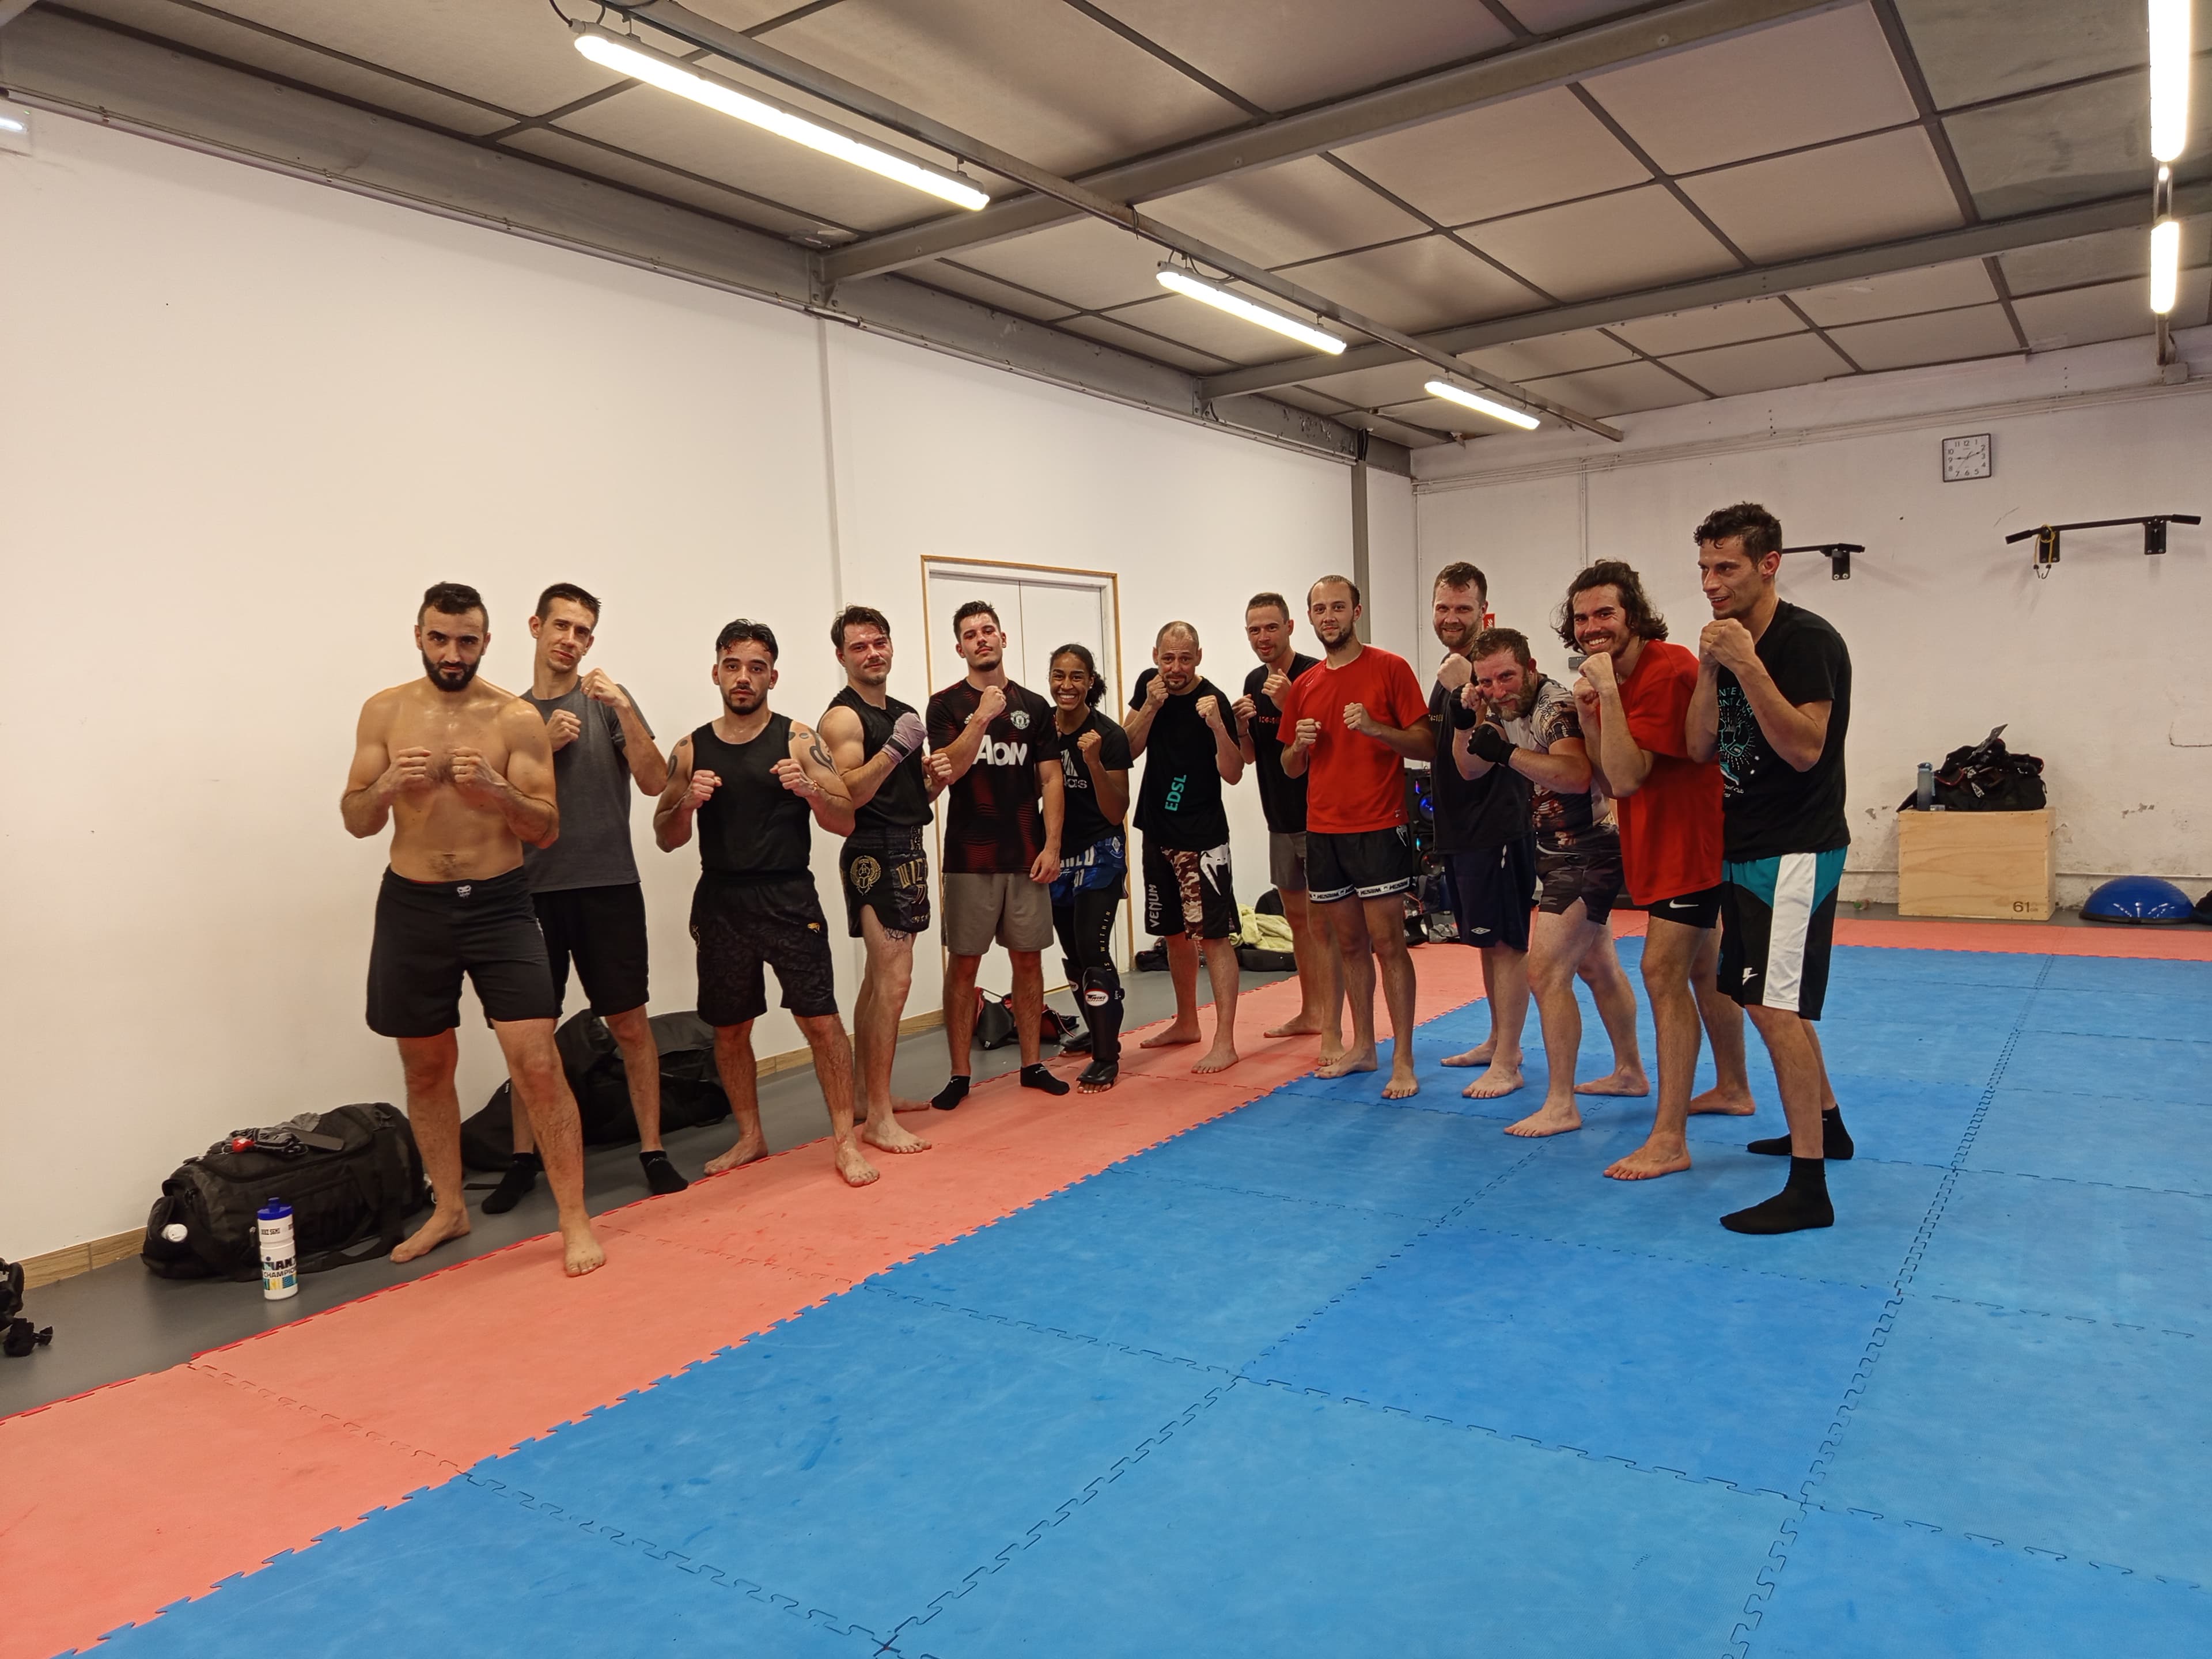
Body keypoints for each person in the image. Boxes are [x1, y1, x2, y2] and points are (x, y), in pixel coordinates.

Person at [340, 582, 604, 1277]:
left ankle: (574, 1218)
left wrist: (496, 791)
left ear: (486, 642)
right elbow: (357, 818)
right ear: (419, 636)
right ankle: (450, 1209)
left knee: (537, 1062)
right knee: (427, 1066)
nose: (452, 653)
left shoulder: (514, 719)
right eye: (439, 639)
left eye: (466, 641)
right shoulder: (384, 712)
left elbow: (545, 828)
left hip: (499, 904)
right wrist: (386, 786)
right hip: (413, 905)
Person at [654, 620, 879, 1187]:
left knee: (820, 1020)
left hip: (788, 895)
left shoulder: (798, 739)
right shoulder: (691, 748)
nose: (744, 677)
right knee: (730, 1028)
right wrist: (686, 805)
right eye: (733, 666)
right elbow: (665, 836)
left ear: (772, 676)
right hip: (721, 901)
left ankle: (845, 1141)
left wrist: (810, 789)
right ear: (716, 672)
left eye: (756, 668)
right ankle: (751, 1135)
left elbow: (845, 820)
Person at [484, 582, 684, 1217]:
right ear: (536, 627)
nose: (571, 640)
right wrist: (540, 745)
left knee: (630, 1024)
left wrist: (623, 707)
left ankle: (652, 1149)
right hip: (528, 893)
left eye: (583, 631)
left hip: (608, 886)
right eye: (561, 626)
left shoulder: (607, 703)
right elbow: (488, 806)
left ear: (591, 641)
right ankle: (524, 1159)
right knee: (530, 1036)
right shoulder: (508, 716)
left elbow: (655, 782)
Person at [1686, 503, 1854, 1234]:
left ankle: (1809, 1189)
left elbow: (1805, 748)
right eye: (1704, 568)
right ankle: (1829, 1126)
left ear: (1769, 564)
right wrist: (1709, 668)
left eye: (1726, 568)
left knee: (1777, 1007)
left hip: (1796, 848)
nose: (1711, 583)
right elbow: (1699, 748)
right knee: (1764, 999)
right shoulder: (1725, 643)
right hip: (1745, 846)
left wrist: (1748, 664)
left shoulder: (1806, 640)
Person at [1560, 562, 1756, 1182]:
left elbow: (1627, 777)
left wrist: (1607, 695)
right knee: (1702, 968)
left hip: (1689, 846)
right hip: (1662, 843)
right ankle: (1733, 1086)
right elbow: (1604, 772)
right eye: (1582, 618)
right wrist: (1591, 715)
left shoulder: (1664, 670)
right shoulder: (1620, 676)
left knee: (1661, 972)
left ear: (1634, 615)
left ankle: (1669, 1138)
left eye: (1605, 614)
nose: (1592, 627)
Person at [1451, 628, 1648, 1138]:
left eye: (1507, 677)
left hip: (1588, 851)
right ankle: (1630, 1072)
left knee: (1545, 973)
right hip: (1555, 850)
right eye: (1487, 682)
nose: (1498, 690)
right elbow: (1469, 770)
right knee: (1598, 967)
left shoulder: (1552, 708)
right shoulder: (1499, 707)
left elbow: (1577, 775)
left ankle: (1561, 1103)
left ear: (1531, 667)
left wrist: (1507, 754)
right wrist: (1467, 721)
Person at [1277, 575, 1431, 1099]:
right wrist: (1298, 748)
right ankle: (1364, 1046)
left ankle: (1404, 1058)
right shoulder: (1304, 685)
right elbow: (1290, 767)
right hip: (1324, 830)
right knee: (1348, 944)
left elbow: (1426, 745)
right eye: (1320, 609)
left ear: (1356, 612)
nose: (1329, 617)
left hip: (1378, 825)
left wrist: (1376, 729)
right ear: (1310, 618)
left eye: (1338, 607)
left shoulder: (1390, 668)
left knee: (1389, 943)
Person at [924, 601, 1069, 1108]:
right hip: (970, 857)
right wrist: (983, 717)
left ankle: (1032, 1063)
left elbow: (1051, 778)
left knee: (1028, 961)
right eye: (970, 634)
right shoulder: (944, 706)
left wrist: (1053, 845)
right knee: (964, 966)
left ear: (1003, 638)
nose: (981, 639)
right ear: (959, 647)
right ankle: (959, 1074)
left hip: (1026, 853)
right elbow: (951, 770)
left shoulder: (1035, 706)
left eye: (988, 630)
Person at [818, 604, 937, 1156]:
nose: (873, 653)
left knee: (878, 981)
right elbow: (849, 795)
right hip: (874, 851)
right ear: (842, 656)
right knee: (895, 982)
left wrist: (933, 781)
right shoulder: (843, 719)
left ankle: (869, 1098)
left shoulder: (904, 711)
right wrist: (893, 749)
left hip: (908, 845)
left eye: (879, 642)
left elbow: (905, 795)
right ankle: (879, 1120)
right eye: (860, 646)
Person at [1425, 562, 1536, 1099]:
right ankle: (1497, 1039)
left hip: (1498, 822)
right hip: (1460, 825)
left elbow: (1505, 735)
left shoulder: (1491, 673)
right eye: (1443, 607)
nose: (1451, 617)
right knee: (1486, 942)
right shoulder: (1449, 673)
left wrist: (1467, 682)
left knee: (1508, 943)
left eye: (1463, 608)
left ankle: (1510, 1059)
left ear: (1483, 612)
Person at [1126, 621, 1245, 1074]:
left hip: (1202, 838)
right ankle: (1187, 1022)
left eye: (1185, 659)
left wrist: (1217, 726)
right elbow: (1125, 750)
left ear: (1199, 657)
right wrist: (1150, 706)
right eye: (1168, 658)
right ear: (1156, 655)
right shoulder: (1149, 686)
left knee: (1212, 937)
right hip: (1157, 829)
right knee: (1173, 933)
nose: (1176, 668)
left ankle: (1225, 1040)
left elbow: (1233, 773)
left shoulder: (1213, 698)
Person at [1232, 592, 1339, 1061]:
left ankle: (1334, 1022)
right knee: (1297, 920)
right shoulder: (1254, 681)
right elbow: (1252, 756)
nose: (1263, 637)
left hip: (1319, 817)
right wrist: (1240, 727)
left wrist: (1290, 701)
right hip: (1278, 817)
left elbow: (1330, 744)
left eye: (1271, 627)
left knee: (1325, 924)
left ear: (1290, 627)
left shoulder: (1316, 673)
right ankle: (1311, 1010)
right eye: (1254, 629)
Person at [1046, 643, 1133, 1092]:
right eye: (1059, 675)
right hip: (1058, 854)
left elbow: (1117, 810)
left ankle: (1106, 1055)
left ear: (1091, 681)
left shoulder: (1109, 735)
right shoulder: (1042, 730)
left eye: (1077, 676)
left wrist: (1094, 762)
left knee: (1092, 950)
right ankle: (1098, 1031)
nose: (1067, 685)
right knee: (1074, 956)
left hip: (1101, 852)